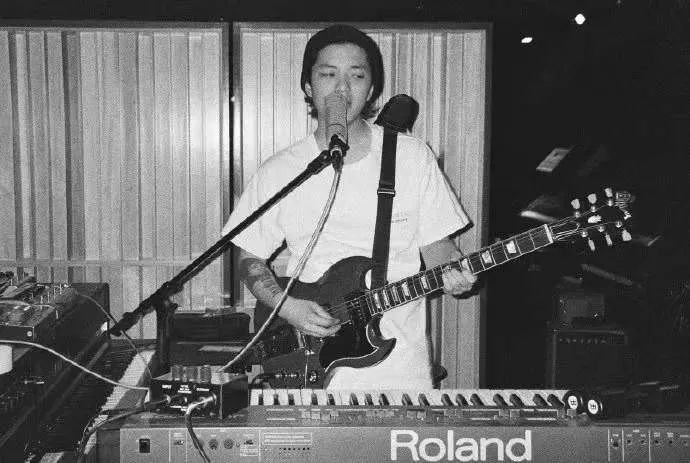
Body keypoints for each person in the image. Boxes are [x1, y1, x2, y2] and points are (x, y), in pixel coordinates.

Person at [223, 24, 476, 390]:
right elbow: (248, 256)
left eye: (356, 76)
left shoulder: (411, 156)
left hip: (401, 371)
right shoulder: (281, 169)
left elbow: (438, 247)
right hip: (308, 368)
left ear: (371, 89)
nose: (342, 88)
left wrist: (454, 271)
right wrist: (287, 306)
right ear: (308, 86)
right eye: (328, 75)